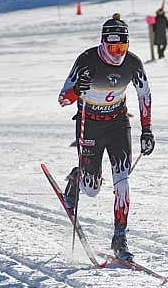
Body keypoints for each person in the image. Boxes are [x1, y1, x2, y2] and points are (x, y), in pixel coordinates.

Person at [58, 13, 155, 261]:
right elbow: (62, 99)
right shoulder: (87, 60)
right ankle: (77, 178)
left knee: (122, 182)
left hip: (117, 124)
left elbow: (144, 94)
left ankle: (120, 237)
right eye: (112, 46)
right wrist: (77, 89)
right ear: (103, 42)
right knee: (92, 190)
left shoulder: (132, 63)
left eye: (122, 46)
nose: (116, 52)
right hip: (89, 124)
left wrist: (146, 129)